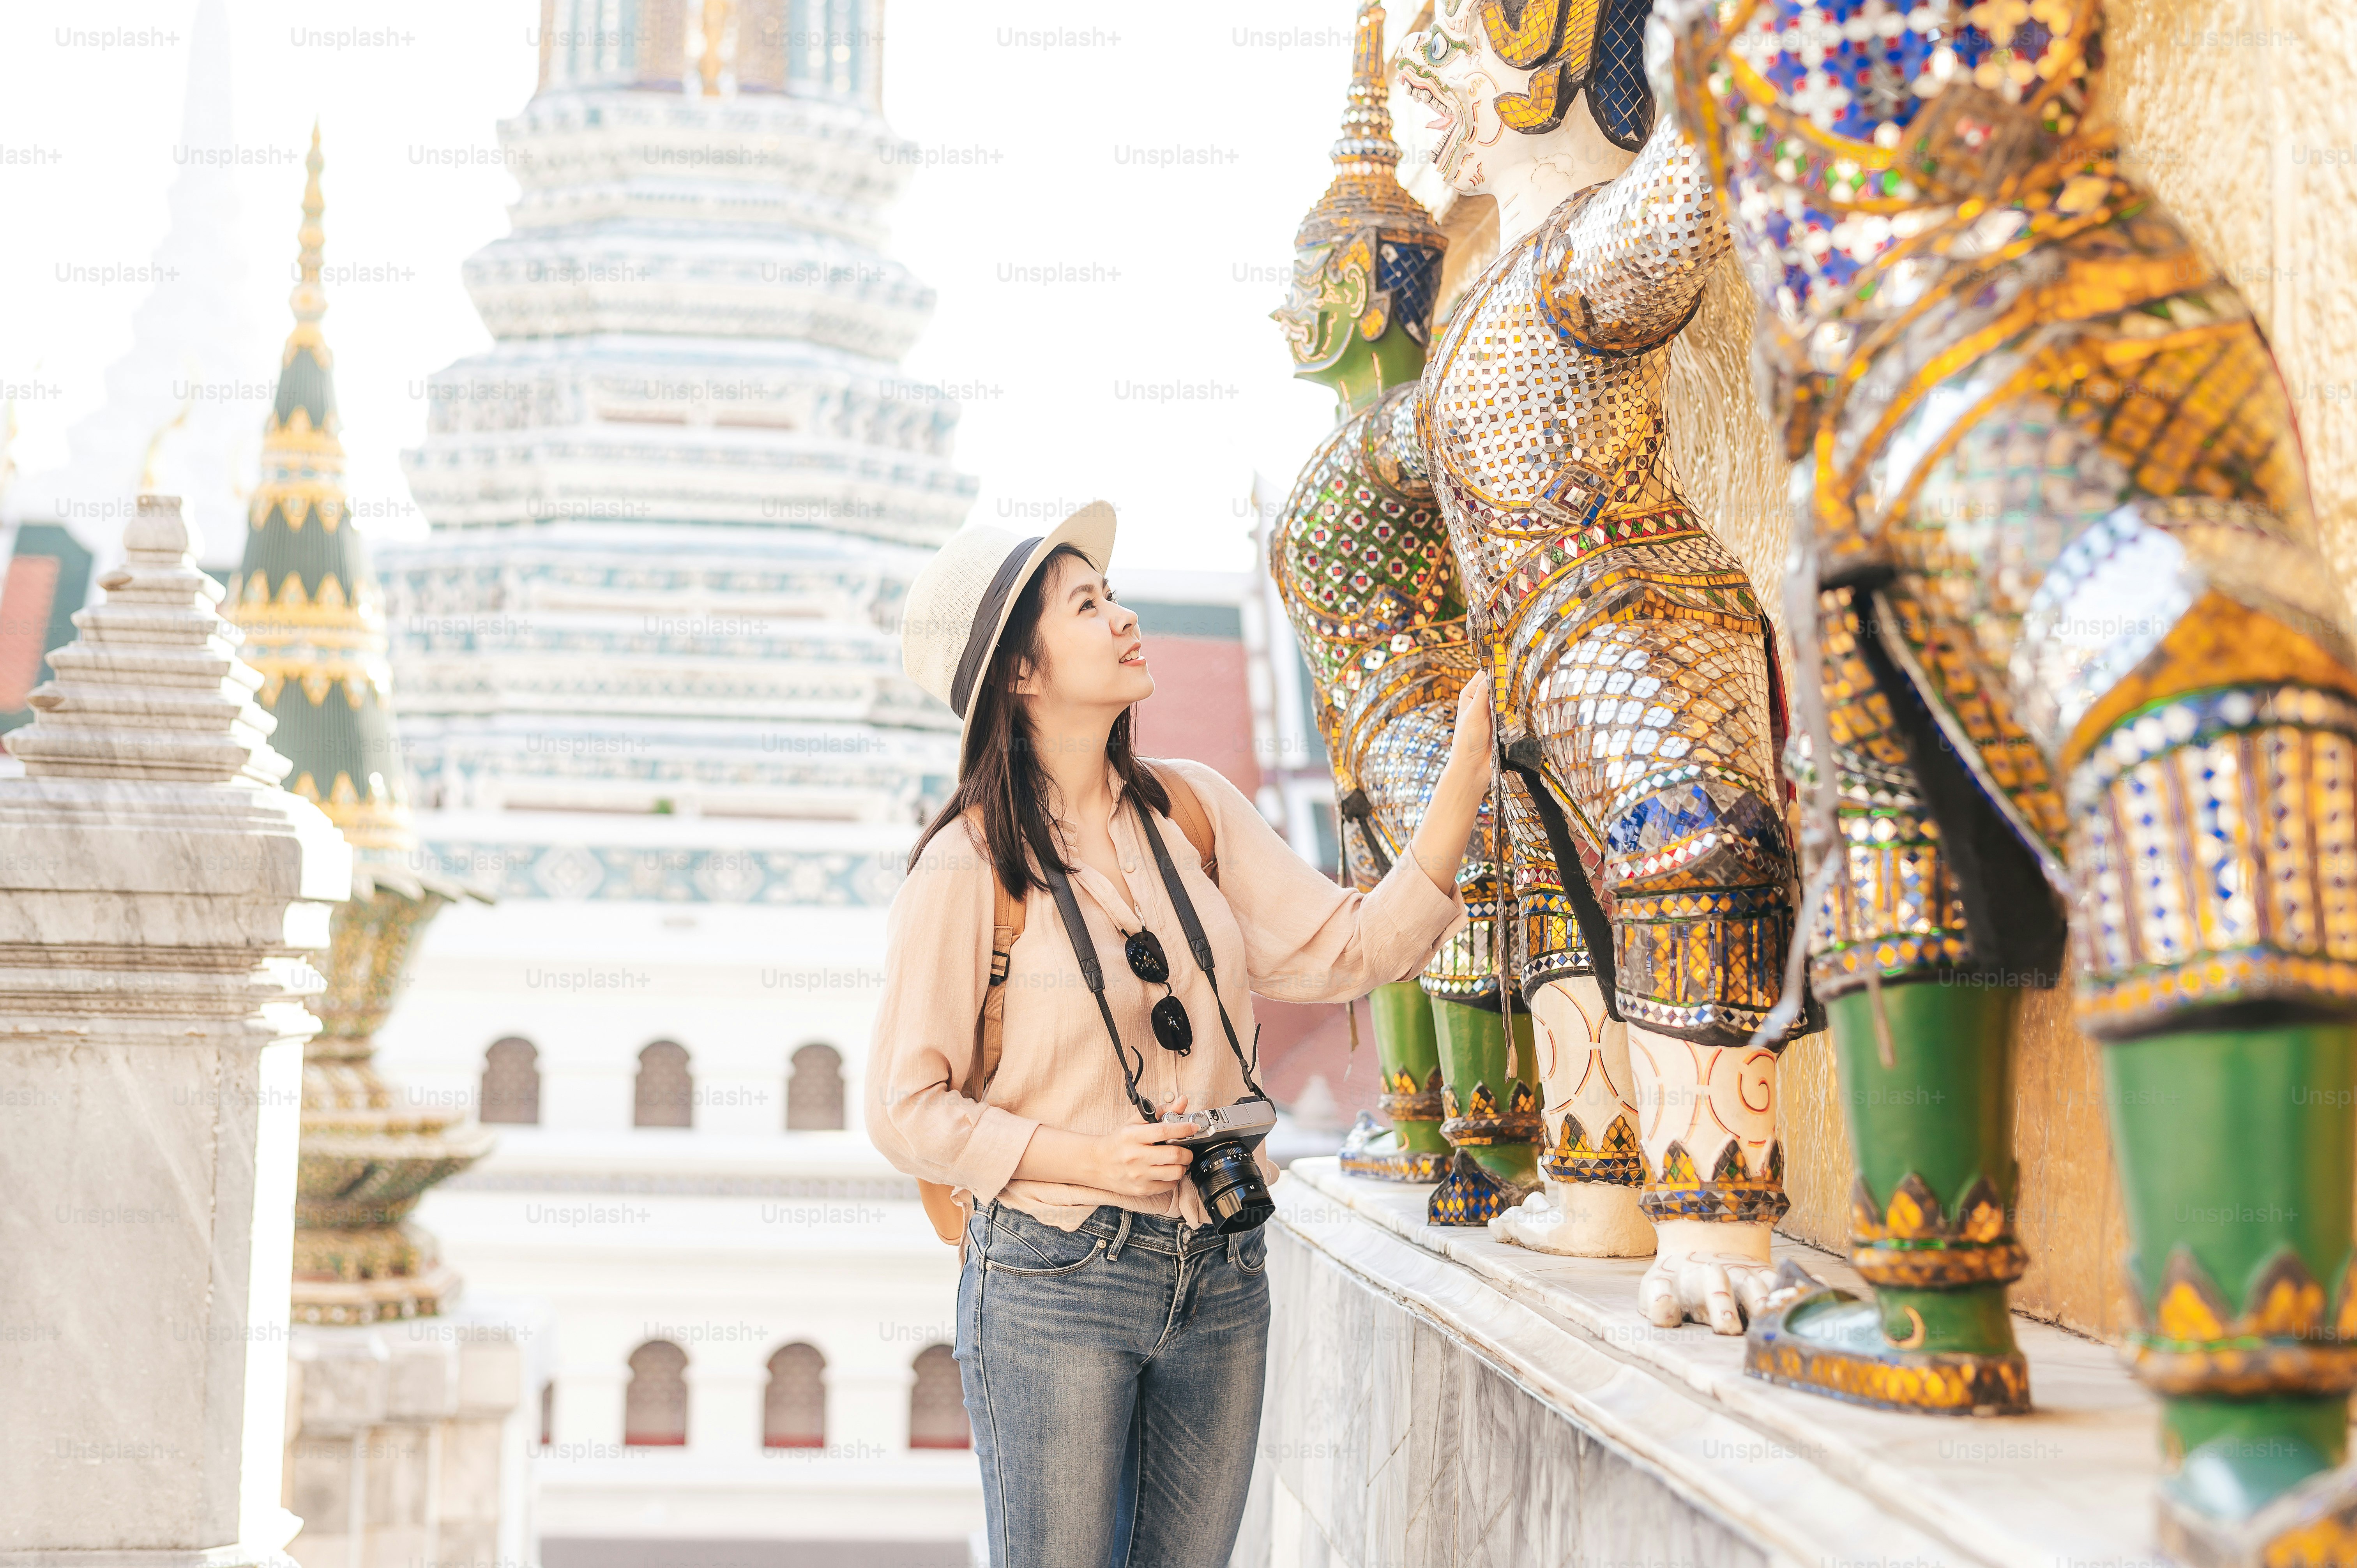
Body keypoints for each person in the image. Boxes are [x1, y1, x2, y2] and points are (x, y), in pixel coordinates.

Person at [868, 502, 1493, 1567]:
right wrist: (1088, 1158)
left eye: (1111, 596)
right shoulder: (966, 866)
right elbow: (904, 1108)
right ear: (1020, 672)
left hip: (1223, 1259)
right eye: (1087, 605)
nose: (1123, 617)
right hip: (1054, 1270)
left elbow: (1352, 950)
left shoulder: (1194, 812)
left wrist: (1471, 761)